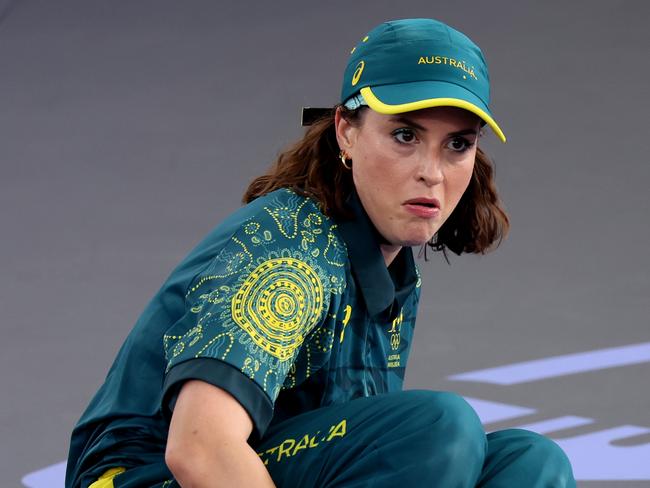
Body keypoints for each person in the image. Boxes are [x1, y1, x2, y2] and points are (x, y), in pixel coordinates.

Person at [65, 18, 576, 488]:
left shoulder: (391, 267)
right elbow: (200, 449)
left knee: (532, 464)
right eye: (404, 135)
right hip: (142, 478)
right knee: (438, 429)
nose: (433, 172)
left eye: (457, 145)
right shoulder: (289, 247)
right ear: (346, 132)